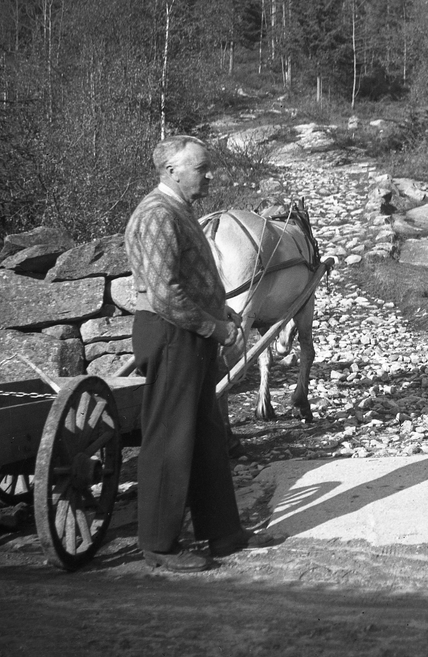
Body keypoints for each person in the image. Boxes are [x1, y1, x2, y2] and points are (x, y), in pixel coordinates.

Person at [125, 135, 252, 572]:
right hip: (171, 333)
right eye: (201, 167)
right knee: (170, 436)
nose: (210, 174)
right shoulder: (158, 214)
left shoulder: (177, 211)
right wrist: (216, 327)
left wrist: (220, 321)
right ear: (172, 170)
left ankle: (223, 534)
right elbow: (164, 294)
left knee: (206, 434)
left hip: (188, 334)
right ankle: (158, 545)